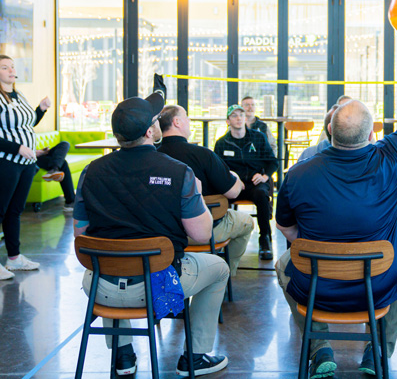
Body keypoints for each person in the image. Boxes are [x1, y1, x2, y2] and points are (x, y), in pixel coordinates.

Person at [274, 36, 397, 378]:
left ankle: (319, 348)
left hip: (315, 285)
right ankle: (377, 349)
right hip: (375, 284)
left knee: (283, 264)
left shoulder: (298, 173)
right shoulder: (392, 158)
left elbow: (287, 230)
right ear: (371, 135)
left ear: (329, 131)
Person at [72, 93, 230, 377]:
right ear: (149, 132)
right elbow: (202, 233)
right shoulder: (179, 172)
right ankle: (195, 356)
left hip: (101, 287)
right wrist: (197, 195)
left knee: (108, 261)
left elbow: (81, 233)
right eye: (155, 120)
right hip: (158, 284)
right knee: (219, 268)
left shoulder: (90, 172)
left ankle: (123, 356)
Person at [158, 105, 254, 278]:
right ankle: (225, 274)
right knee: (247, 222)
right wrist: (237, 179)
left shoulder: (154, 157)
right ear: (177, 122)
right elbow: (232, 193)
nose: (189, 121)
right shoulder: (203, 154)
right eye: (186, 117)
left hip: (163, 234)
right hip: (205, 232)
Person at [0, 54, 46, 280]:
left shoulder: (18, 95)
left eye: (12, 67)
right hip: (7, 161)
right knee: (0, 211)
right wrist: (17, 148)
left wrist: (41, 109)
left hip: (27, 163)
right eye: (4, 67)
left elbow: (28, 123)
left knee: (14, 211)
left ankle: (14, 258)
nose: (11, 70)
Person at [214, 104, 278, 260]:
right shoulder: (222, 143)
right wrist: (232, 179)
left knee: (262, 195)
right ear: (228, 121)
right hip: (232, 184)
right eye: (234, 115)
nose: (238, 118)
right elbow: (217, 169)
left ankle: (265, 238)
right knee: (219, 198)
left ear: (245, 118)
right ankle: (220, 238)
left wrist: (265, 177)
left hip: (255, 183)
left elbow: (272, 162)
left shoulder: (258, 137)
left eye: (241, 115)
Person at [36, 141, 76, 212]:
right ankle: (70, 201)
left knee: (65, 144)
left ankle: (54, 169)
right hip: (31, 158)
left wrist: (42, 151)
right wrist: (37, 152)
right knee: (63, 163)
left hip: (38, 155)